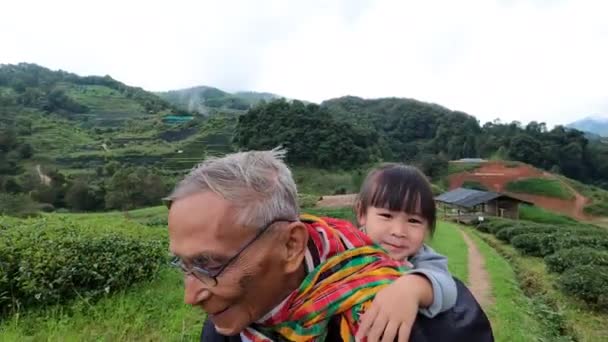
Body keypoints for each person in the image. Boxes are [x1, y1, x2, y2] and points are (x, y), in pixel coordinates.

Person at [167, 148, 493, 341]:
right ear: (361, 215)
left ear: (292, 245)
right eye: (186, 265)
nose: (190, 296)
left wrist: (412, 289)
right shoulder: (227, 319)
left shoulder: (407, 326)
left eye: (210, 265)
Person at [354, 164, 457, 341]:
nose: (399, 231)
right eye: (386, 215)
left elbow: (448, 287)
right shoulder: (343, 247)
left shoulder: (420, 258)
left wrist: (412, 288)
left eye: (414, 221)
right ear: (362, 213)